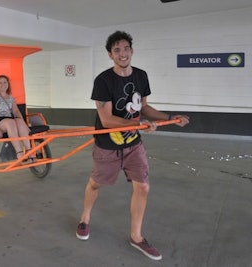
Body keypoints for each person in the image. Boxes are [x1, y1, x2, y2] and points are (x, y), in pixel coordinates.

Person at [75, 31, 189, 261]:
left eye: (125, 48)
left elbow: (144, 108)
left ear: (132, 50)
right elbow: (106, 120)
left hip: (134, 144)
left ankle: (136, 236)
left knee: (143, 187)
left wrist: (168, 117)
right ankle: (85, 218)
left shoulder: (141, 76)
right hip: (108, 145)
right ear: (110, 55)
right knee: (96, 184)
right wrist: (138, 123)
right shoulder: (103, 81)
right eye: (116, 50)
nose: (122, 53)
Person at [0, 75, 36, 162]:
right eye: (0, 82)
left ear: (8, 84)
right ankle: (19, 153)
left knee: (18, 120)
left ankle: (29, 151)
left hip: (8, 120)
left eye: (5, 82)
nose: (3, 84)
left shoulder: (10, 97)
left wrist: (23, 124)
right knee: (10, 122)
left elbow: (16, 112)